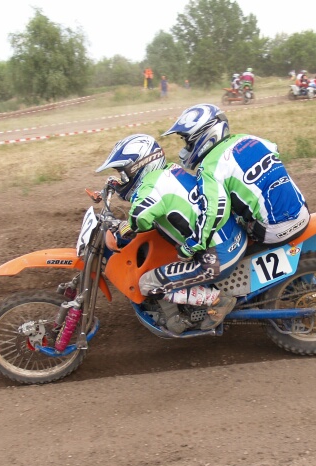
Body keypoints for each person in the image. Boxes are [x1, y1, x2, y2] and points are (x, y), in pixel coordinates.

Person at [96, 134, 247, 331]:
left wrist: (126, 225)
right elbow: (148, 197)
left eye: (124, 173)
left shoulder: (152, 187)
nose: (124, 178)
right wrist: (119, 186)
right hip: (232, 238)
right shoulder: (170, 171)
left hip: (217, 257)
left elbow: (140, 218)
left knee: (147, 283)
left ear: (139, 167)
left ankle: (217, 300)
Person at [162, 103, 310, 248]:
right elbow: (274, 150)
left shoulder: (209, 167)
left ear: (201, 135)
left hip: (273, 231)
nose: (186, 148)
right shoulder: (249, 138)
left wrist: (193, 245)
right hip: (303, 213)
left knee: (227, 222)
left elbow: (213, 213)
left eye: (188, 142)